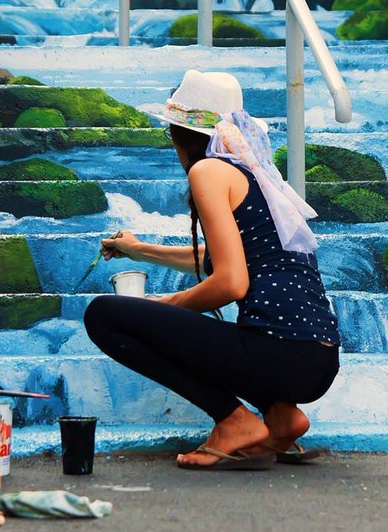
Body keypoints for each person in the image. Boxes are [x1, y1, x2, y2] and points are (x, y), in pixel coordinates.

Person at [83, 70, 341, 470]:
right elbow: (221, 257)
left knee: (103, 315)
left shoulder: (208, 171)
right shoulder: (252, 175)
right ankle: (282, 418)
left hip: (280, 354)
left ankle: (234, 421)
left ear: (179, 134)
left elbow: (231, 281)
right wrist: (137, 250)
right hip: (316, 361)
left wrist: (166, 307)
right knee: (195, 322)